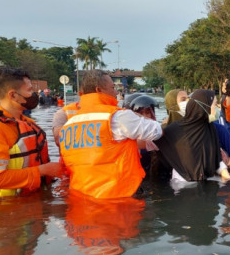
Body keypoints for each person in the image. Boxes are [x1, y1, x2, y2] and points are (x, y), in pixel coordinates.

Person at [58, 70, 162, 199]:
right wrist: (139, 116)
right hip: (117, 197)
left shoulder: (69, 125)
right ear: (99, 90)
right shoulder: (117, 116)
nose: (116, 92)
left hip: (82, 198)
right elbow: (156, 131)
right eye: (113, 88)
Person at [0, 68, 62, 198]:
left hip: (30, 205)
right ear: (13, 95)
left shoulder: (27, 123)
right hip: (2, 211)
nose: (34, 94)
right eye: (29, 90)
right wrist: (44, 170)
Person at [153, 89, 230, 184]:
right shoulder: (165, 131)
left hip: (205, 181)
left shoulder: (211, 127)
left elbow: (217, 157)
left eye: (189, 99)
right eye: (183, 100)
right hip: (182, 184)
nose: (188, 102)